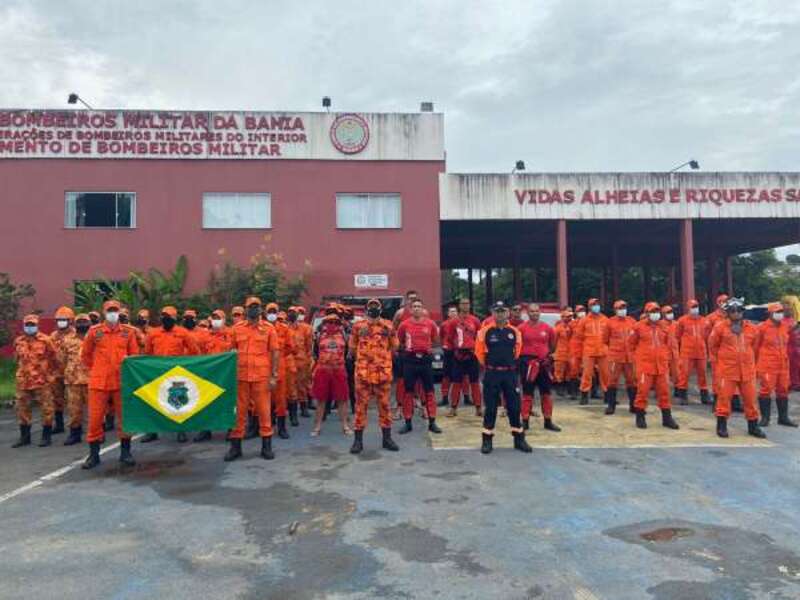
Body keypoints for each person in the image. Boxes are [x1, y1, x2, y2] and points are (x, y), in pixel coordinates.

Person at [81, 300, 139, 469]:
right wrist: (98, 369)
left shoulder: (128, 332)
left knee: (124, 419)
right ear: (104, 312)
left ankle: (126, 453)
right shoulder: (94, 332)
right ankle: (93, 455)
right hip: (99, 383)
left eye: (115, 310)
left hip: (121, 382)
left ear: (119, 312)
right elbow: (85, 355)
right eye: (109, 311)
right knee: (95, 420)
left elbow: (134, 356)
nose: (112, 313)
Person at [225, 296, 280, 461]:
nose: (254, 309)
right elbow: (230, 352)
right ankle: (235, 448)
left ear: (261, 309)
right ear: (245, 309)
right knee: (239, 413)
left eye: (256, 306)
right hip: (241, 377)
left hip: (261, 377)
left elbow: (275, 352)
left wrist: (274, 376)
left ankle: (266, 448)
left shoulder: (269, 329)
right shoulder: (237, 328)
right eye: (251, 307)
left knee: (264, 412)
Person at [475, 301, 531, 454]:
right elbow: (479, 353)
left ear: (508, 313)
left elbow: (517, 352)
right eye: (497, 311)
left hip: (510, 374)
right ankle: (487, 440)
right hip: (492, 374)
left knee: (514, 407)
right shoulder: (484, 331)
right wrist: (491, 366)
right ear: (493, 313)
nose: (500, 314)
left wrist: (507, 365)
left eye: (503, 311)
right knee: (491, 408)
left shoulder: (515, 332)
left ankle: (519, 439)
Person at [138, 306, 198, 444]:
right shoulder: (153, 333)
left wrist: (187, 366)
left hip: (177, 374)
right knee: (154, 402)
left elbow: (194, 351)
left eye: (169, 316)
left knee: (178, 401)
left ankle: (180, 430)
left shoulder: (183, 333)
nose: (166, 319)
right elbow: (147, 353)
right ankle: (152, 431)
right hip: (157, 373)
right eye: (164, 316)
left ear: (175, 318)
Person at [707, 297, 766, 439]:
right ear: (728, 312)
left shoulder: (752, 328)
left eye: (739, 310)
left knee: (751, 399)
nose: (736, 313)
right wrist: (721, 362)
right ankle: (721, 426)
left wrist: (749, 360)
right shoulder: (720, 327)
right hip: (727, 370)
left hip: (747, 370)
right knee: (724, 399)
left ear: (742, 312)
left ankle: (753, 426)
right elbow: (713, 346)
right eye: (732, 311)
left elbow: (756, 347)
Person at [349, 298, 401, 453]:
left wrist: (382, 359)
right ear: (366, 309)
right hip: (363, 374)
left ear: (380, 308)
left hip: (382, 374)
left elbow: (395, 346)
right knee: (360, 407)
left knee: (385, 407)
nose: (373, 309)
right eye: (371, 306)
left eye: (376, 306)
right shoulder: (358, 326)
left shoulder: (388, 325)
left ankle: (387, 439)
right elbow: (352, 348)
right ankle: (358, 441)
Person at [630, 302, 680, 430]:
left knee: (664, 392)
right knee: (643, 392)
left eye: (657, 311)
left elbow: (668, 344)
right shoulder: (638, 327)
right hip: (645, 365)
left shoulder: (665, 326)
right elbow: (631, 344)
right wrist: (638, 360)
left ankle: (667, 418)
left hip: (661, 365)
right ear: (646, 313)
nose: (655, 314)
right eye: (652, 311)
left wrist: (666, 358)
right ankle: (640, 416)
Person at [396, 298, 442, 435]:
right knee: (408, 392)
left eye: (419, 306)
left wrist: (426, 350)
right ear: (410, 309)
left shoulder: (430, 324)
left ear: (423, 309)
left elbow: (435, 340)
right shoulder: (404, 325)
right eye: (414, 306)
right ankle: (408, 423)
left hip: (426, 361)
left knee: (429, 392)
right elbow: (400, 340)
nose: (416, 308)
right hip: (410, 360)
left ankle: (432, 422)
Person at [11, 314, 58, 448]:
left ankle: (46, 436)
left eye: (32, 324)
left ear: (37, 325)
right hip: (23, 381)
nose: (30, 327)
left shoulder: (46, 340)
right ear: (24, 325)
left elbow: (54, 360)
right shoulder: (18, 341)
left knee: (47, 409)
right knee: (22, 409)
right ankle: (24, 437)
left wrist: (51, 376)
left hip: (41, 381)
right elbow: (17, 359)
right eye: (27, 325)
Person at [518, 303, 560, 432]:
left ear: (539, 312)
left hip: (543, 364)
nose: (534, 313)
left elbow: (553, 346)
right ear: (527, 313)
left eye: (536, 311)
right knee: (527, 393)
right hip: (527, 364)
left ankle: (548, 421)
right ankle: (525, 421)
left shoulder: (547, 328)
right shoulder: (521, 328)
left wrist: (547, 358)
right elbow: (517, 346)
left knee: (546, 393)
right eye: (532, 311)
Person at [310, 306, 352, 436]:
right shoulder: (318, 334)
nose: (332, 324)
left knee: (342, 399)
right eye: (329, 322)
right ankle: (317, 426)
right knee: (321, 399)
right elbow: (314, 353)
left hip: (339, 369)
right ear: (325, 323)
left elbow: (349, 352)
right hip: (323, 370)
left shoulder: (344, 334)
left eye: (335, 322)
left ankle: (345, 425)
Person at [755, 303, 797, 428]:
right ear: (770, 313)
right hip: (768, 364)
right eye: (777, 312)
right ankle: (765, 418)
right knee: (765, 390)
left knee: (783, 390)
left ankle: (783, 418)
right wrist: (756, 364)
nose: (780, 314)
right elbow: (755, 347)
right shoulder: (762, 328)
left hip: (783, 364)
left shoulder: (785, 326)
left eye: (781, 311)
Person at [446, 297, 483, 416]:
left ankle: (478, 408)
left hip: (472, 355)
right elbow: (450, 337)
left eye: (467, 303)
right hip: (458, 355)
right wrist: (456, 349)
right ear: (459, 306)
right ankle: (453, 408)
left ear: (470, 305)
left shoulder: (475, 320)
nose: (465, 305)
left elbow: (480, 337)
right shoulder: (453, 321)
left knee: (475, 382)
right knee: (456, 382)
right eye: (463, 304)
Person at [58, 313, 92, 445]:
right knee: (74, 410)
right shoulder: (67, 340)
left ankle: (97, 434)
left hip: (92, 380)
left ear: (89, 324)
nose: (82, 324)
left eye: (85, 322)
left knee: (94, 410)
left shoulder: (95, 338)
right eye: (79, 322)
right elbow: (61, 360)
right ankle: (74, 434)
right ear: (74, 324)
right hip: (73, 381)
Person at [264, 303, 296, 440]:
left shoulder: (285, 329)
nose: (272, 313)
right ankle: (262, 426)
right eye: (269, 311)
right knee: (262, 399)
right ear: (265, 313)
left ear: (278, 313)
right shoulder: (261, 328)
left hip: (279, 368)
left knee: (280, 400)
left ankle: (282, 427)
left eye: (274, 311)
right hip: (262, 367)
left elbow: (290, 347)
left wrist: (279, 357)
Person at [675, 299, 710, 405]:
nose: (695, 309)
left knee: (703, 374)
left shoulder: (704, 321)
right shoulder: (682, 321)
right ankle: (682, 397)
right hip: (687, 352)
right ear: (688, 308)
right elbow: (677, 336)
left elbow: (707, 336)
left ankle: (704, 396)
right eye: (693, 307)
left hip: (701, 352)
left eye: (696, 306)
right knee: (684, 374)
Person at [604, 300, 636, 415]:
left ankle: (633, 405)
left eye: (624, 307)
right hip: (615, 357)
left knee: (632, 381)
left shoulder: (632, 321)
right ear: (615, 310)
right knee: (612, 381)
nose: (622, 310)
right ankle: (611, 406)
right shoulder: (610, 322)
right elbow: (605, 339)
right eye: (620, 308)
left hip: (629, 357)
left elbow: (636, 338)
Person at [574, 298, 609, 405]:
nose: (596, 306)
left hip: (603, 351)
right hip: (589, 351)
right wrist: (578, 354)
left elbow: (609, 336)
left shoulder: (605, 319)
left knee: (606, 374)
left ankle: (608, 396)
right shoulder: (584, 320)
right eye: (594, 304)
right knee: (587, 374)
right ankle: (584, 395)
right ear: (589, 307)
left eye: (597, 304)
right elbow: (578, 338)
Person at [50, 306, 76, 435]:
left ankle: (76, 427)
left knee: (72, 401)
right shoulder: (52, 336)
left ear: (70, 320)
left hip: (71, 374)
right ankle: (59, 425)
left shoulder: (75, 335)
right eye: (59, 319)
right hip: (56, 373)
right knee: (56, 400)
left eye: (64, 319)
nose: (61, 322)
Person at [439, 305, 458, 407]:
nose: (453, 313)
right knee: (446, 375)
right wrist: (445, 345)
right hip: (448, 352)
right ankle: (444, 398)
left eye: (455, 311)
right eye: (451, 311)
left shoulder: (461, 323)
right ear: (448, 314)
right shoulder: (444, 324)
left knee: (461, 376)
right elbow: (442, 336)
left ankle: (466, 397)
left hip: (459, 352)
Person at [660, 305, 681, 401]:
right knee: (664, 374)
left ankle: (677, 390)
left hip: (674, 352)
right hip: (664, 353)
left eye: (671, 312)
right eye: (668, 312)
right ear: (663, 314)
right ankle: (662, 391)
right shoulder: (660, 324)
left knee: (676, 373)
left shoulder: (676, 324)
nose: (670, 314)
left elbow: (680, 337)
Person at [552, 308, 573, 397]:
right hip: (560, 353)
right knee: (559, 372)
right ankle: (559, 389)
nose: (569, 318)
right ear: (562, 317)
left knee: (570, 372)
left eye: (570, 316)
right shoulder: (558, 328)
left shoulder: (572, 326)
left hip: (570, 353)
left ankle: (569, 389)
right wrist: (553, 352)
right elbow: (554, 341)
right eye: (567, 317)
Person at [566, 304, 586, 399]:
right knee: (574, 371)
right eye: (579, 311)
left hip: (585, 349)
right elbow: (568, 336)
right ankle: (573, 392)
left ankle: (590, 392)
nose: (581, 313)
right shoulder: (571, 324)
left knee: (588, 371)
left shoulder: (588, 322)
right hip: (574, 350)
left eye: (583, 310)